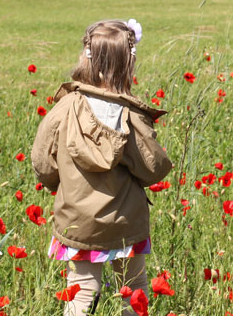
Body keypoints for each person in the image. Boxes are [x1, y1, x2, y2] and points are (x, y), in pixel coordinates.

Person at [31, 19, 172, 316]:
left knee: (81, 290)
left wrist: (64, 185)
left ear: (87, 55)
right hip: (125, 222)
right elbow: (153, 169)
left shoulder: (65, 107)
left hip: (78, 221)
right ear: (127, 64)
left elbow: (42, 163)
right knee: (133, 290)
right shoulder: (131, 115)